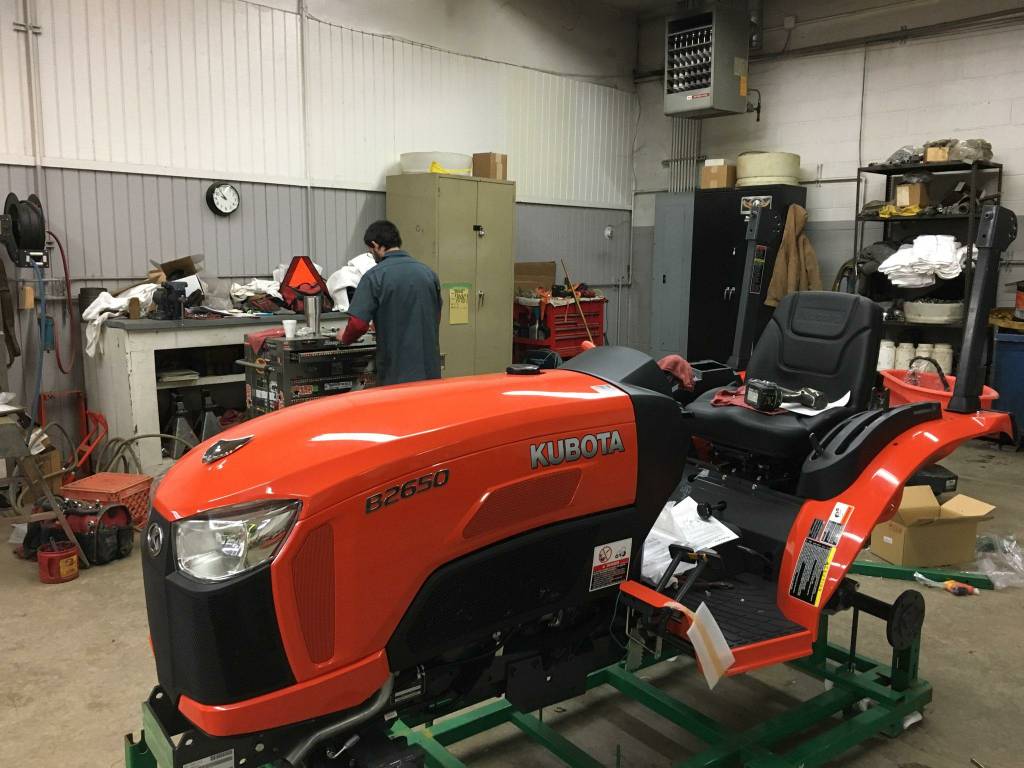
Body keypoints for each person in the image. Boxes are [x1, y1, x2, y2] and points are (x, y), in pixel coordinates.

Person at [338, 220, 442, 386]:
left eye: (370, 250)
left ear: (375, 245)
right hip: (430, 372)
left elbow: (358, 325)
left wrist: (344, 337)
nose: (372, 255)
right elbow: (435, 316)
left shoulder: (375, 276)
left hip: (397, 374)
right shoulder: (428, 274)